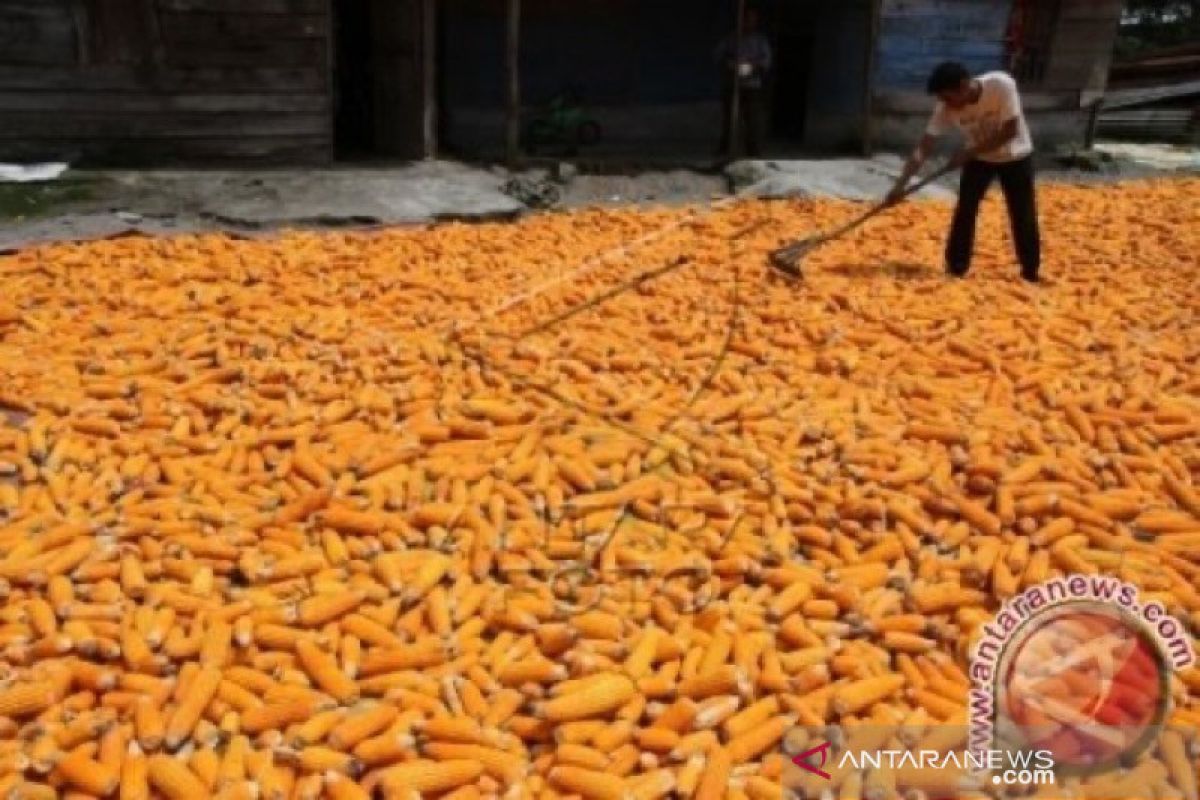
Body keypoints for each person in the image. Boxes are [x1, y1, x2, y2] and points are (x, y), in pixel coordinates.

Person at [887, 61, 1041, 283]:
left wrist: (968, 153)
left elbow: (1010, 131)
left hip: (1016, 157)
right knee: (965, 210)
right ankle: (957, 266)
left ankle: (1030, 271)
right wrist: (900, 186)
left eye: (948, 97)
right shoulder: (945, 108)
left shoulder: (1001, 85)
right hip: (979, 160)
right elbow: (924, 147)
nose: (946, 104)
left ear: (963, 86)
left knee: (1022, 213)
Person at [715, 9, 772, 158]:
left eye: (752, 20)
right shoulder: (731, 39)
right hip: (732, 85)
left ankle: (753, 151)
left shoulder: (760, 41)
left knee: (753, 120)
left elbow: (766, 61)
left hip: (752, 85)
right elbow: (718, 56)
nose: (749, 23)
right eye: (746, 19)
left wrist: (752, 66)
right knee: (730, 118)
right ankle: (725, 149)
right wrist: (731, 64)